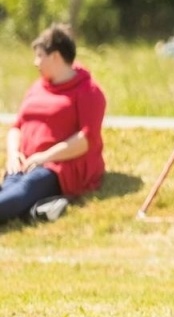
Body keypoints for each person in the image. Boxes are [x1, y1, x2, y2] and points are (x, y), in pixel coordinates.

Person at [2, 24, 106, 226]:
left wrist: (44, 157)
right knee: (10, 190)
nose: (35, 62)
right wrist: (13, 154)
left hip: (57, 166)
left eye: (40, 56)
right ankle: (34, 211)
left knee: (24, 190)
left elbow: (86, 140)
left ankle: (33, 208)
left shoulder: (88, 91)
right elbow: (16, 127)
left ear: (56, 56)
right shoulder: (37, 88)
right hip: (25, 162)